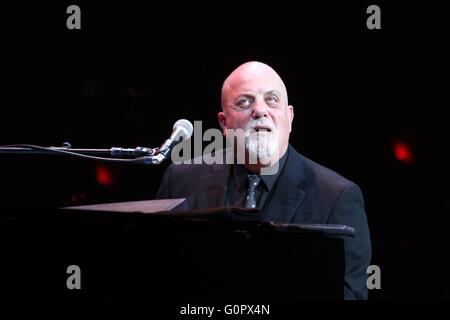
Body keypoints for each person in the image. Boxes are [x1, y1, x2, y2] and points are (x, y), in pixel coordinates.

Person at [156, 61, 371, 299]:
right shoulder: (180, 180)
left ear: (289, 118)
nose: (259, 110)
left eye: (272, 99)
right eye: (244, 102)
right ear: (224, 123)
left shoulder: (337, 198)